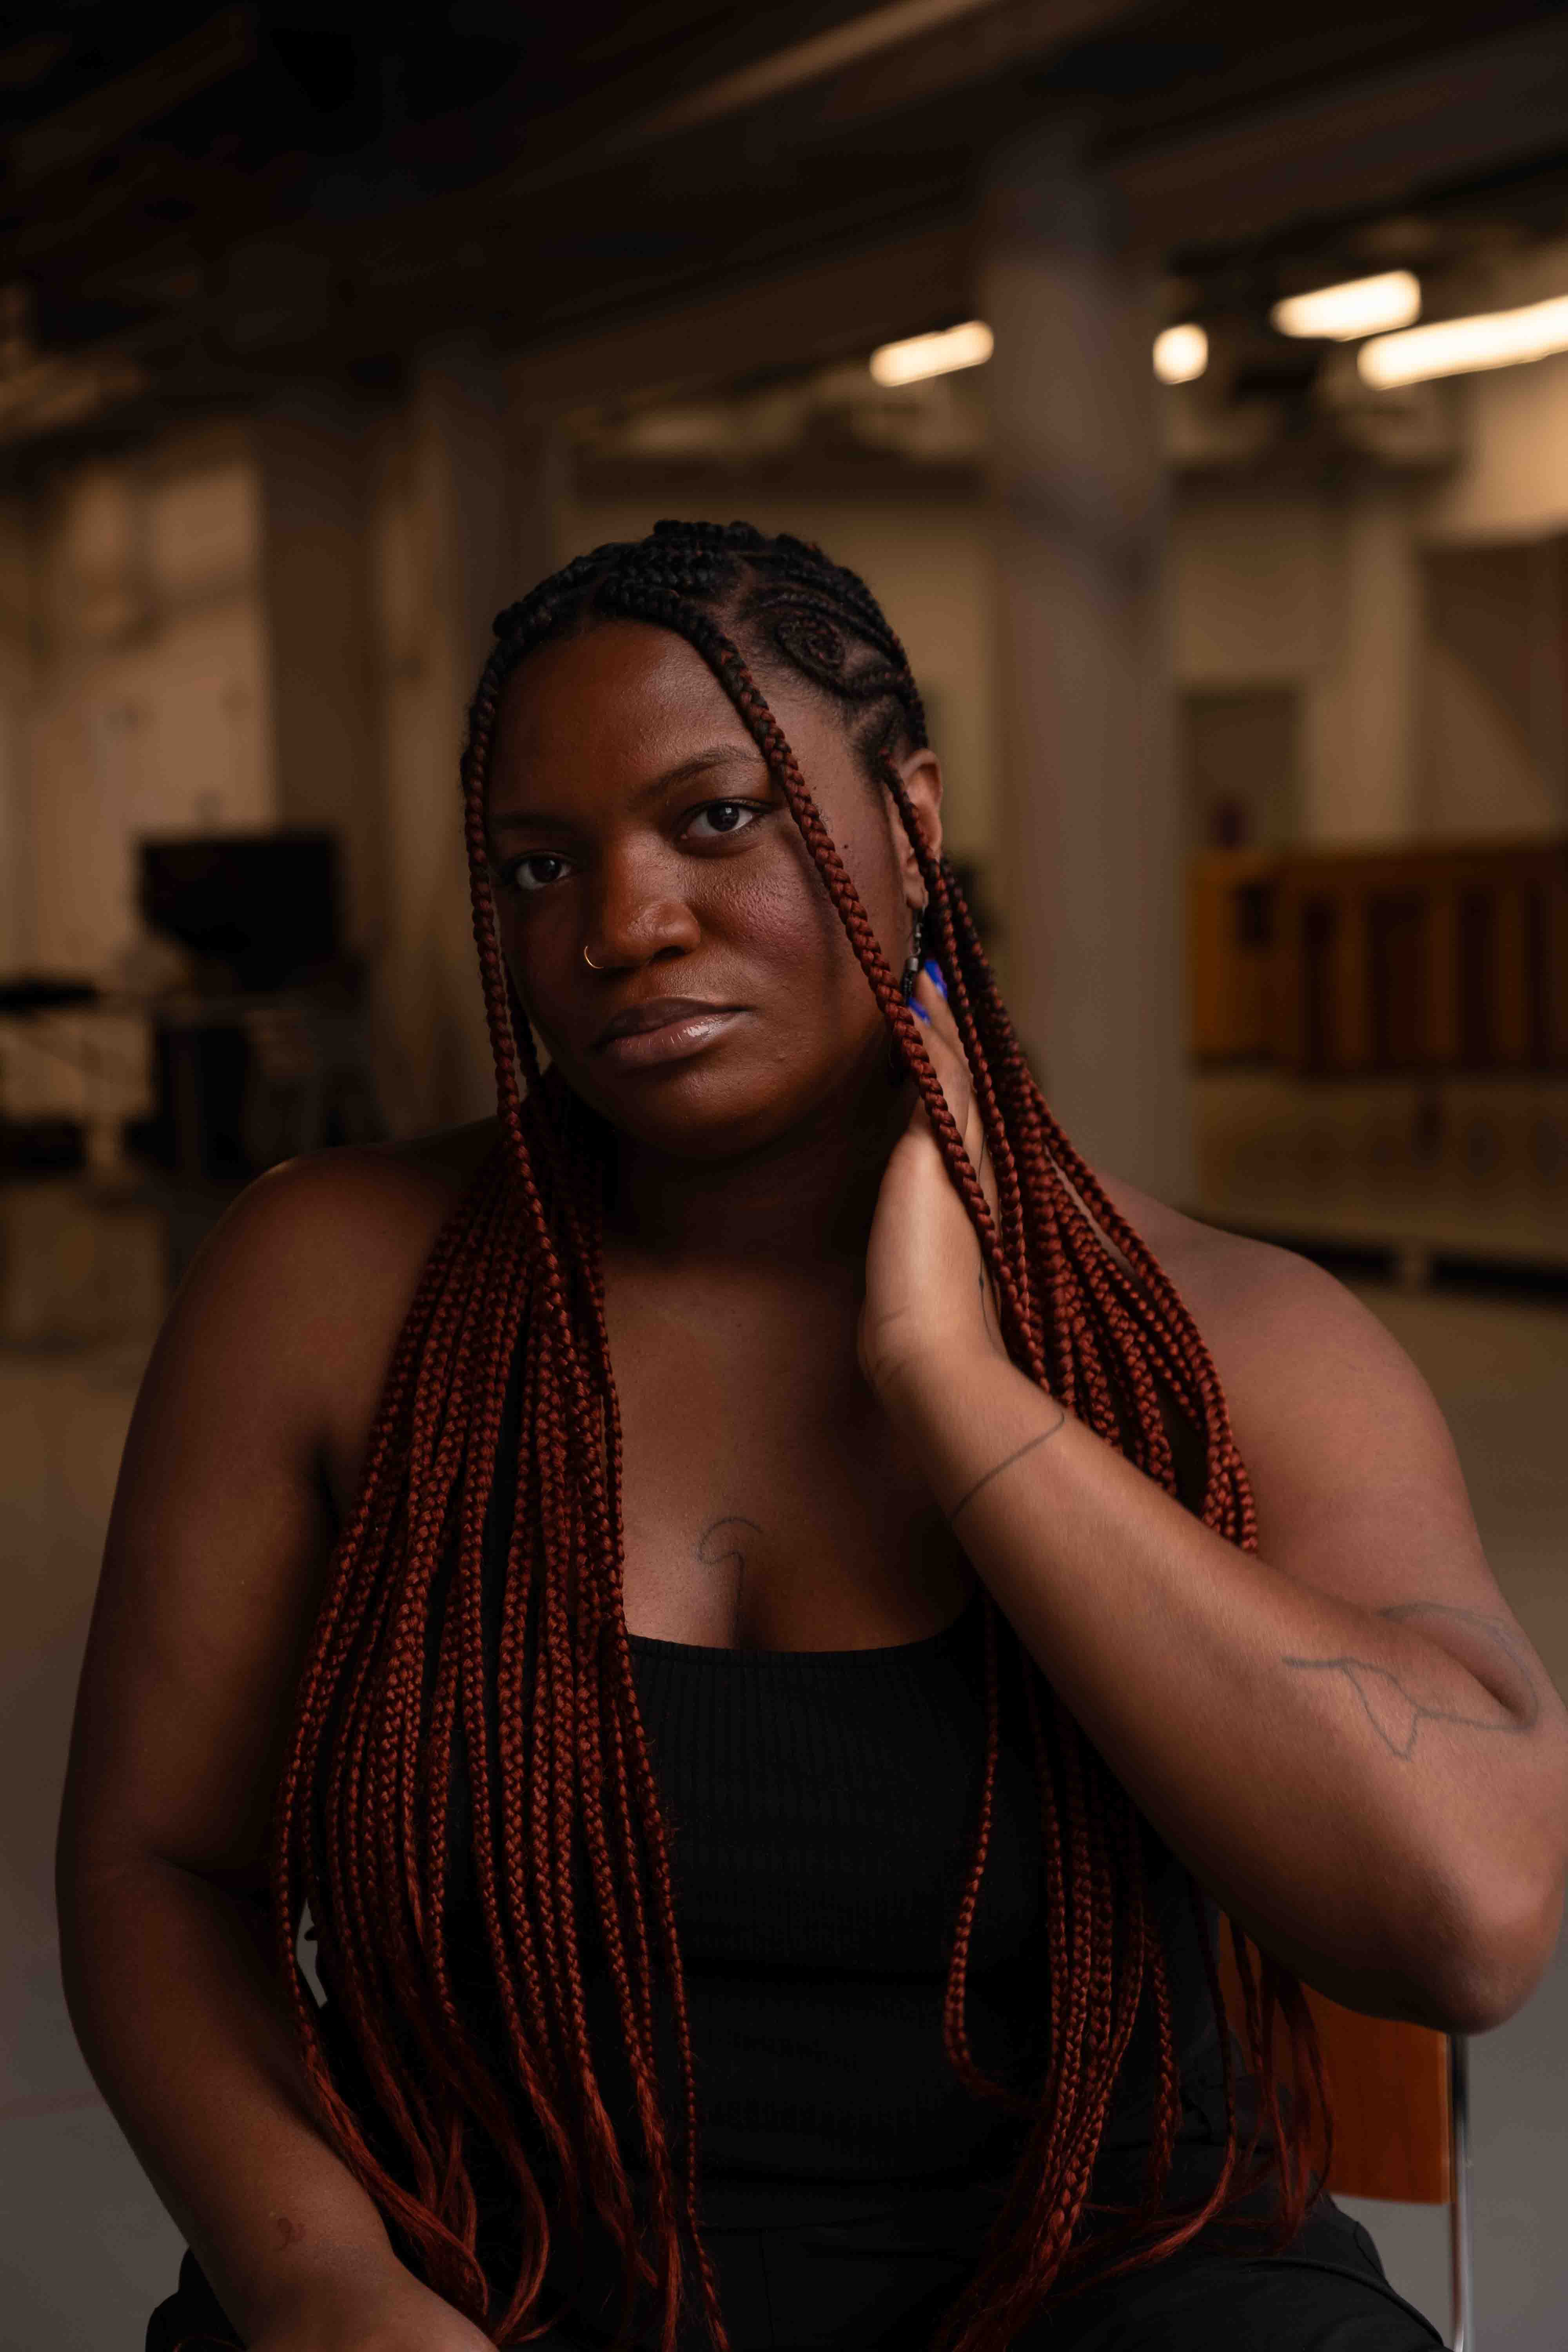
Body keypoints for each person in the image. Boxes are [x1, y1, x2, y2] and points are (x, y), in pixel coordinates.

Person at [59, 522, 1566, 2352]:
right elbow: (159, 1866)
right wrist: (320, 2280)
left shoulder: (1225, 1340)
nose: (621, 926)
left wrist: (954, 1387)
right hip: (473, 2278)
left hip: (1103, 2294)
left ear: (911, 823)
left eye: (716, 819)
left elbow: (1465, 1922)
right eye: (539, 864)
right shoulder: (330, 1283)